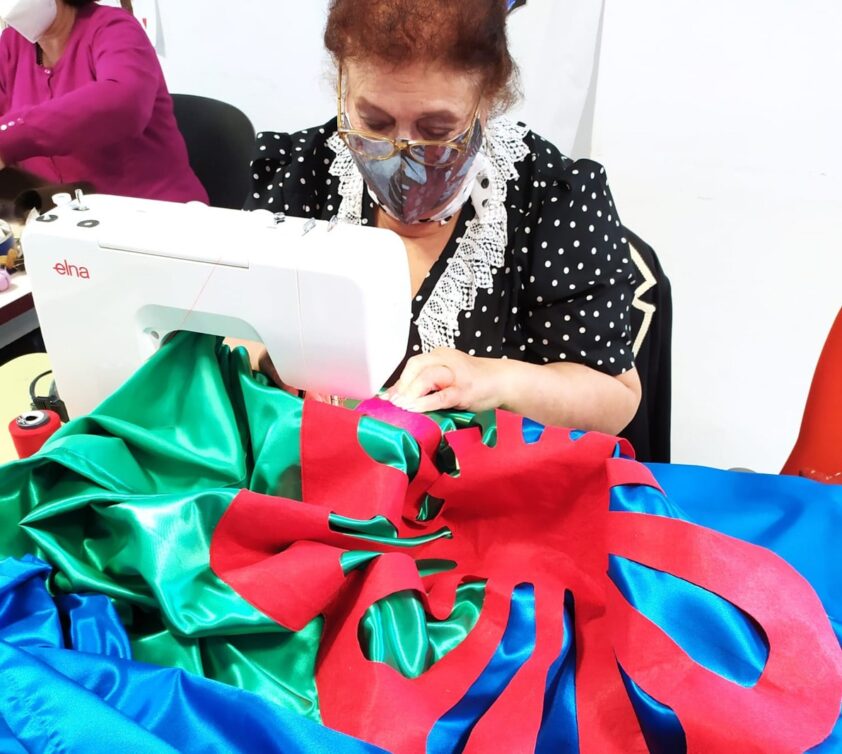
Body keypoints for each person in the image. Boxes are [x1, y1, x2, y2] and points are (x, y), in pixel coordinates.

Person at [247, 0, 641, 435]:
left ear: (487, 101)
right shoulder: (302, 173)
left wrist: (492, 380)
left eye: (436, 131)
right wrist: (269, 358)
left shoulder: (549, 197)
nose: (402, 154)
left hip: (481, 492)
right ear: (342, 86)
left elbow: (614, 396)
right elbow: (221, 334)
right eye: (374, 122)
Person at [0, 0, 207, 203]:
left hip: (154, 213)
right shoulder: (11, 44)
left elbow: (125, 103)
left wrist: (11, 136)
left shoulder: (115, 28)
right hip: (64, 218)